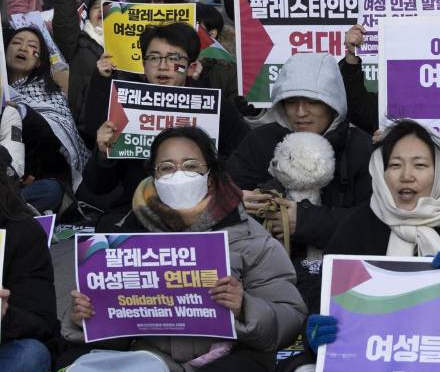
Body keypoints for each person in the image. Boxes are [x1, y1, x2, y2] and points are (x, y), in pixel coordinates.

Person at [63, 127, 307, 372]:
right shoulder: (123, 240)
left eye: (191, 166)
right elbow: (110, 320)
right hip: (150, 360)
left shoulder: (250, 238)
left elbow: (290, 316)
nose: (179, 174)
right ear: (154, 178)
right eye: (166, 168)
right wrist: (84, 316)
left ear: (211, 176)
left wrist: (245, 309)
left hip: (231, 359)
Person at [289, 119, 440, 372]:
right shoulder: (357, 226)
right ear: (380, 171)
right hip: (372, 368)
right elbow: (325, 306)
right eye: (395, 164)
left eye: (420, 165)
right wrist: (318, 335)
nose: (406, 175)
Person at [85, 22, 249, 216]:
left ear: (191, 67)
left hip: (206, 211)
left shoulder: (216, 108)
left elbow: (245, 159)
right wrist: (104, 154)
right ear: (143, 64)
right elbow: (98, 186)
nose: (162, 66)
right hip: (138, 213)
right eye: (154, 58)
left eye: (174, 58)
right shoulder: (125, 107)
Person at [228, 52, 373, 257]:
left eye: (313, 101)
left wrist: (308, 221)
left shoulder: (360, 146)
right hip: (267, 273)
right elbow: (220, 200)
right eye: (291, 101)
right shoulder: (260, 142)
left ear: (333, 102)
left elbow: (375, 220)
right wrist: (236, 201)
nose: (301, 112)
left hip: (343, 274)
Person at [4, 25, 89, 212]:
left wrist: (22, 112)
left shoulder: (50, 95)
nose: (23, 48)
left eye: (31, 46)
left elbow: (52, 142)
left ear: (39, 62)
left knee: (51, 191)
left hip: (33, 181)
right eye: (16, 43)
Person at [0, 163, 57, 372]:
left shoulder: (22, 232)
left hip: (7, 343)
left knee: (30, 356)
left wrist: (5, 314)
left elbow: (41, 323)